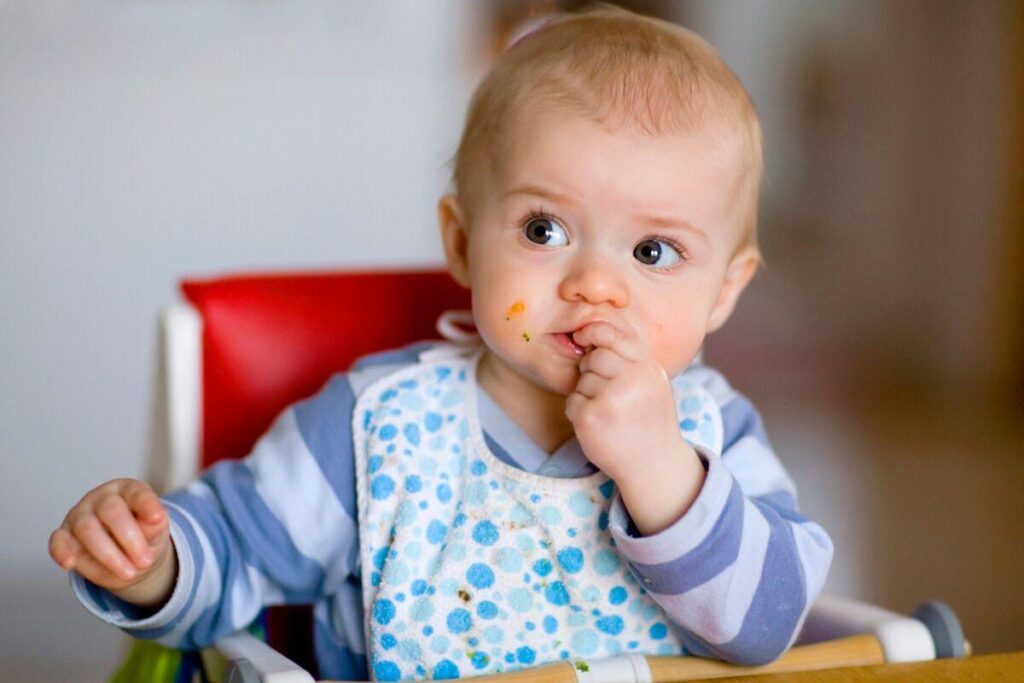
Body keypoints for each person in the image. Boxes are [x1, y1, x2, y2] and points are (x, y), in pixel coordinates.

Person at [49, 7, 833, 681]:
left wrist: (661, 468)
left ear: (725, 290)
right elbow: (233, 552)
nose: (597, 284)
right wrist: (151, 564)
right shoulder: (374, 425)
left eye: (654, 251)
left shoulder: (714, 433)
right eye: (544, 229)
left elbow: (770, 627)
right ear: (461, 243)